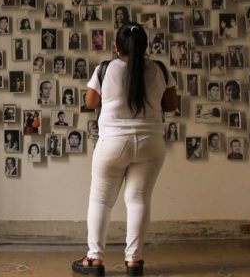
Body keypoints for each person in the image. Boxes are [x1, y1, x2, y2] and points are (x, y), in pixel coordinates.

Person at [72, 23, 177, 276]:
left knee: (101, 200)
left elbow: (91, 101)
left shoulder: (105, 69)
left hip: (113, 144)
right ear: (145, 46)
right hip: (150, 143)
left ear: (116, 46)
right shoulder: (160, 69)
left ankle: (94, 260)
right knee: (138, 200)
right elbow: (170, 104)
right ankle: (134, 262)